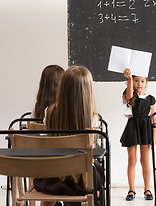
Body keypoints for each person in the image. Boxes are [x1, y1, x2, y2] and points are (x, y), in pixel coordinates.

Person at [33, 65, 104, 206]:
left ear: (63, 88)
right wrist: (89, 186)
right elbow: (88, 158)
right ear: (87, 91)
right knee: (95, 168)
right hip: (79, 181)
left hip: (52, 179)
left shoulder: (49, 112)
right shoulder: (92, 119)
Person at [120, 68, 156, 201]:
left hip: (146, 128)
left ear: (146, 82)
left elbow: (154, 117)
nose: (139, 83)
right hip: (133, 127)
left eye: (142, 81)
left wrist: (154, 135)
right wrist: (129, 78)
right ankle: (131, 189)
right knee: (132, 160)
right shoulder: (131, 96)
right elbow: (129, 95)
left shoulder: (150, 98)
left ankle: (147, 189)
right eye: (136, 81)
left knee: (145, 161)